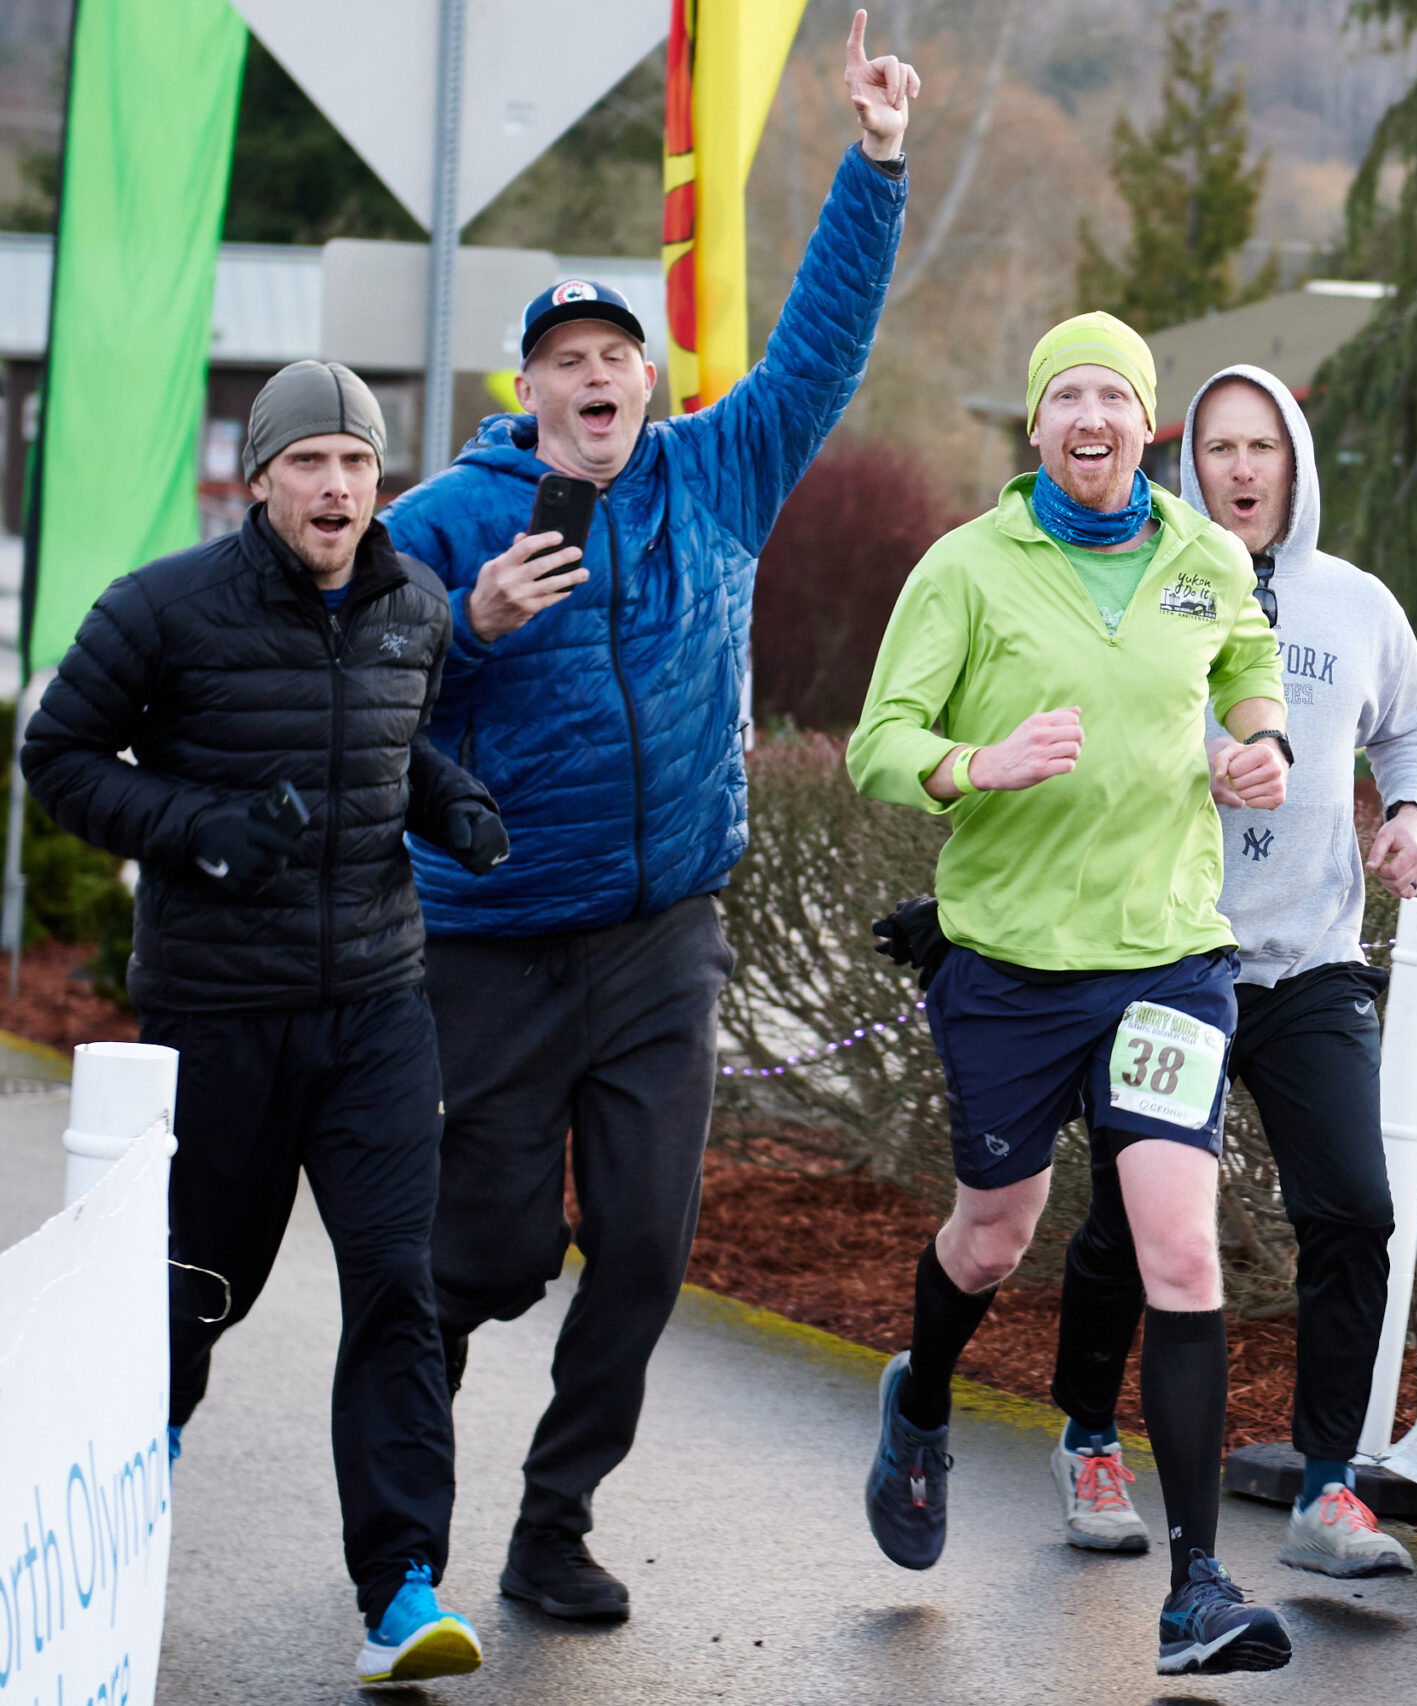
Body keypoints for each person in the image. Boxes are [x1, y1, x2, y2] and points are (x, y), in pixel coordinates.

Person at [378, 12, 919, 1624]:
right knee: (476, 1260)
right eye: (566, 361)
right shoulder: (445, 519)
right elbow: (356, 694)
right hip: (486, 945)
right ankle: (402, 1512)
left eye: (617, 357)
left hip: (662, 937)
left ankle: (554, 1523)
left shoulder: (718, 474)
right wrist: (463, 628)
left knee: (645, 1241)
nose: (596, 377)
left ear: (648, 379)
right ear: (527, 390)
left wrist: (876, 163)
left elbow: (822, 343)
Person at [22, 362, 510, 1684]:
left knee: (397, 1285)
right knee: (189, 1298)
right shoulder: (163, 610)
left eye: (359, 463)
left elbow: (385, 744)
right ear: (261, 475)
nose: (338, 487)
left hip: (377, 1010)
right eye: (312, 463)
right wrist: (197, 830)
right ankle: (115, 1496)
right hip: (220, 1014)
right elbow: (56, 757)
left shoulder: (413, 604)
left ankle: (402, 1588)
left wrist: (444, 797)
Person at [847, 312, 1297, 1676]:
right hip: (1011, 968)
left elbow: (1245, 663)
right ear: (1037, 427)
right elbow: (879, 745)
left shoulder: (1204, 558)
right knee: (994, 1233)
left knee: (1179, 1247)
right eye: (1067, 398)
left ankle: (1199, 1587)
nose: (1091, 418)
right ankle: (920, 1400)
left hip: (1167, 960)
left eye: (1114, 396)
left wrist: (1258, 745)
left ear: (1145, 424)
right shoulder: (968, 568)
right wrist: (977, 765)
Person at [1044, 366, 1417, 1578]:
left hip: (1310, 964)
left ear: (1295, 461)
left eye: (1261, 444)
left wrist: (1412, 813)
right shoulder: (1141, 591)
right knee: (1126, 1218)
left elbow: (1414, 721)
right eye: (1217, 445)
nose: (1240, 467)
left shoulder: (1357, 603)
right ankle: (1086, 1437)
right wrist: (1200, 754)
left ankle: (1328, 1485)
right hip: (1170, 961)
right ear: (1189, 463)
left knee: (1356, 1213)